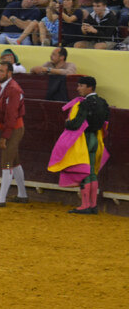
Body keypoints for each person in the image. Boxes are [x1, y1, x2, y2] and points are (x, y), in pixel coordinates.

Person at [49, 76, 109, 215]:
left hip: (84, 140)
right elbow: (105, 123)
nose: (78, 88)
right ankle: (93, 205)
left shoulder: (85, 104)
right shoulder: (103, 103)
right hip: (95, 138)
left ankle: (85, 205)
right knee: (93, 172)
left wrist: (67, 122)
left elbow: (76, 124)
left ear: (90, 87)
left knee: (85, 172)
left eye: (81, 86)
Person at [0, 59, 28, 208]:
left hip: (13, 129)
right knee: (14, 162)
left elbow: (11, 116)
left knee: (7, 162)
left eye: (2, 71)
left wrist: (4, 136)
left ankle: (1, 198)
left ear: (10, 73)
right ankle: (22, 194)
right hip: (8, 128)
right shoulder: (1, 87)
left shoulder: (13, 89)